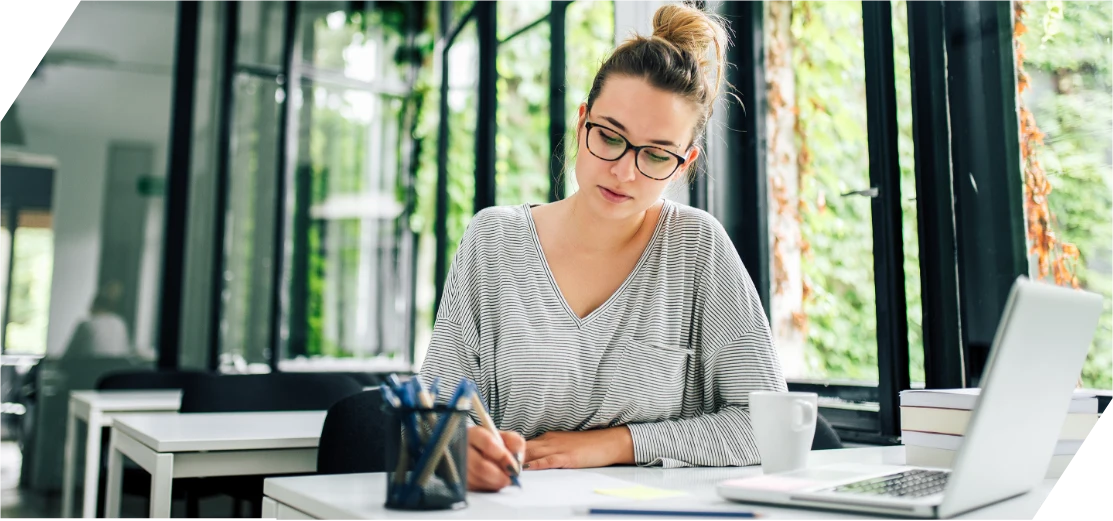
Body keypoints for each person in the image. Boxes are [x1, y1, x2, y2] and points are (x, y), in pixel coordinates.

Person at [418, 3, 788, 492]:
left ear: (684, 163)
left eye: (657, 154)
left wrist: (618, 443)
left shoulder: (698, 248)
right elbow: (434, 410)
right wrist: (455, 448)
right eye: (610, 137)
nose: (625, 171)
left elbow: (770, 426)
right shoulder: (493, 241)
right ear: (581, 122)